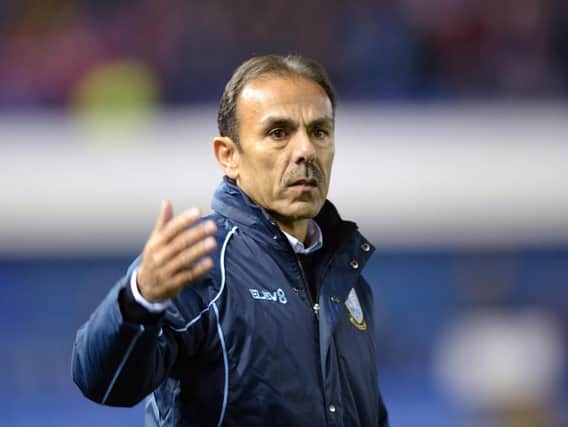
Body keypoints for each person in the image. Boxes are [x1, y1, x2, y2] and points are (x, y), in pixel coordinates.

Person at [72, 54, 389, 427]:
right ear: (229, 156)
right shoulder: (200, 262)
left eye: (319, 131)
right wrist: (139, 300)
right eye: (278, 133)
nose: (305, 151)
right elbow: (104, 384)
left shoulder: (350, 283)